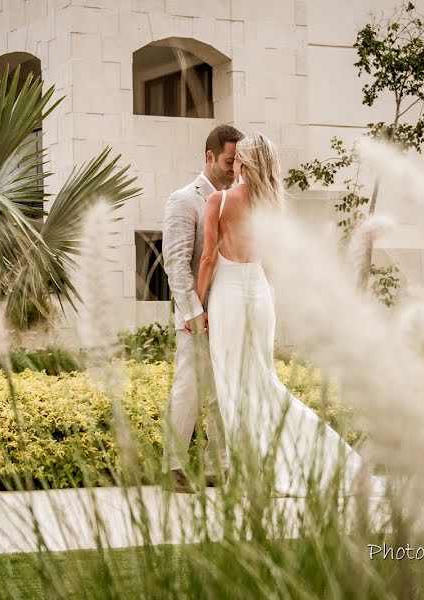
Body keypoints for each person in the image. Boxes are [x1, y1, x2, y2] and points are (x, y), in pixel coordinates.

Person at [196, 132, 364, 497]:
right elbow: (270, 265)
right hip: (259, 296)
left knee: (233, 388)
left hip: (227, 297)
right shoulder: (270, 207)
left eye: (238, 158)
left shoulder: (218, 201)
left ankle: (248, 476)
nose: (234, 163)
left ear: (244, 162)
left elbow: (208, 258)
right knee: (262, 381)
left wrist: (197, 305)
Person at [161, 124, 244, 492]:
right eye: (228, 161)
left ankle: (217, 466)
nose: (233, 168)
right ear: (210, 156)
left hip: (228, 313)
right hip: (196, 315)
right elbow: (175, 262)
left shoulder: (237, 199)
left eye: (237, 162)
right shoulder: (184, 199)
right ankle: (172, 466)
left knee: (221, 392)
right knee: (189, 389)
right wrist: (194, 311)